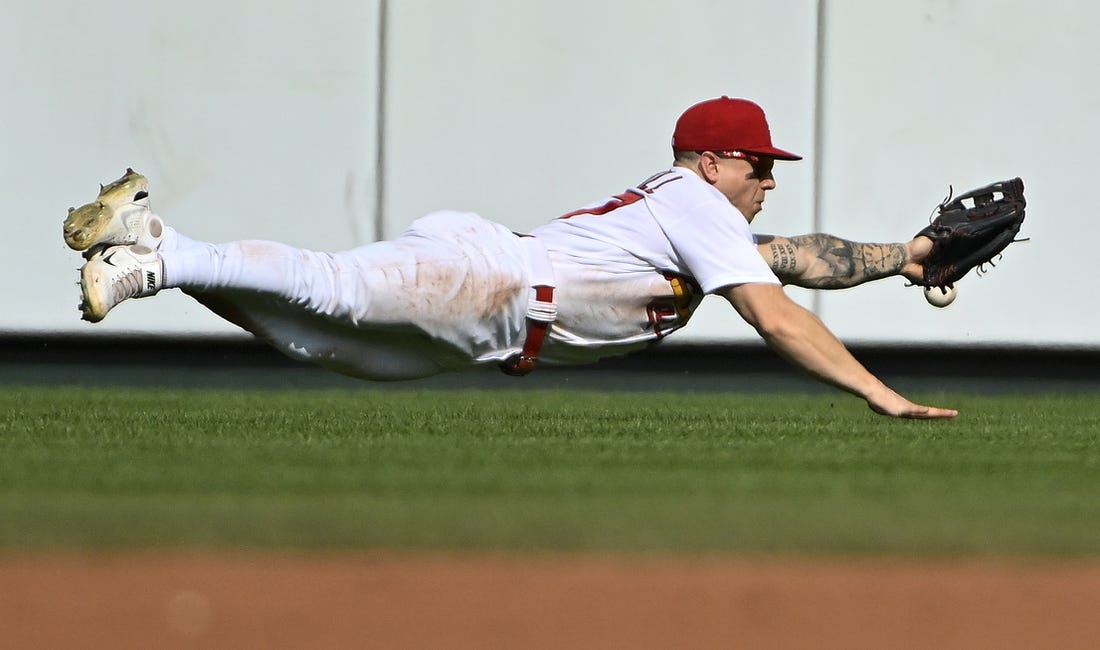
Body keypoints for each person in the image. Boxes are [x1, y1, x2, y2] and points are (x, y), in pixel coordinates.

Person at [62, 96, 957, 419]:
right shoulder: (695, 200)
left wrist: (909, 258)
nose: (769, 177)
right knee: (326, 289)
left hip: (489, 329)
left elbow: (795, 259)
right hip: (485, 279)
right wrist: (880, 392)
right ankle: (162, 248)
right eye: (759, 162)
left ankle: (151, 262)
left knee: (314, 341)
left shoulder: (701, 222)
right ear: (714, 161)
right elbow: (775, 311)